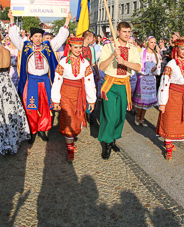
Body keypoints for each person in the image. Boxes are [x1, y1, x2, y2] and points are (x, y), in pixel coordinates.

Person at [8, 10, 70, 143]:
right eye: (35, 36)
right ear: (31, 37)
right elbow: (14, 37)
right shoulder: (25, 46)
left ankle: (42, 130)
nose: (38, 39)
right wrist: (12, 20)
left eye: (40, 36)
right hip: (31, 81)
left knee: (46, 106)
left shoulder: (48, 46)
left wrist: (67, 21)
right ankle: (32, 131)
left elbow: (60, 38)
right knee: (31, 107)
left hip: (45, 80)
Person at [0, 29, 30, 155]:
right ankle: (10, 137)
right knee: (8, 111)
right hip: (7, 84)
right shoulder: (7, 51)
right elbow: (7, 70)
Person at [98, 22, 142, 159]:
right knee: (110, 116)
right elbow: (101, 67)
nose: (127, 34)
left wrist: (124, 62)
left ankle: (113, 139)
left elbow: (138, 67)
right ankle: (107, 144)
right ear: (118, 32)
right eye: (124, 31)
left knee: (120, 117)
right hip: (110, 84)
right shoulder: (108, 46)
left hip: (124, 84)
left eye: (129, 32)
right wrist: (112, 55)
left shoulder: (134, 49)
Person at [51, 37, 96, 162]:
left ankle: (71, 140)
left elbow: (89, 82)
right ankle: (69, 147)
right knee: (68, 119)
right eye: (75, 47)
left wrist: (91, 99)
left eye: (80, 47)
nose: (78, 50)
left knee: (77, 119)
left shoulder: (85, 63)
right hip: (66, 94)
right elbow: (57, 81)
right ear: (69, 47)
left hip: (79, 95)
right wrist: (56, 100)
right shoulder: (63, 62)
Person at [156, 39, 184, 160]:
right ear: (177, 49)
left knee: (179, 122)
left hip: (183, 97)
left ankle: (169, 143)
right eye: (182, 49)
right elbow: (164, 83)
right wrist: (162, 102)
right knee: (169, 121)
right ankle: (168, 147)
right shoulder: (171, 64)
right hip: (171, 96)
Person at [133, 36, 161, 126]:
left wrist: (155, 71)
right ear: (147, 42)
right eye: (151, 42)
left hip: (151, 80)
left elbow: (159, 70)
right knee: (142, 100)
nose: (153, 44)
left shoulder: (156, 55)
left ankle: (142, 118)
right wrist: (149, 71)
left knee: (147, 101)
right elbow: (139, 68)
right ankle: (137, 116)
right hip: (143, 79)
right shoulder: (141, 54)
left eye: (154, 42)